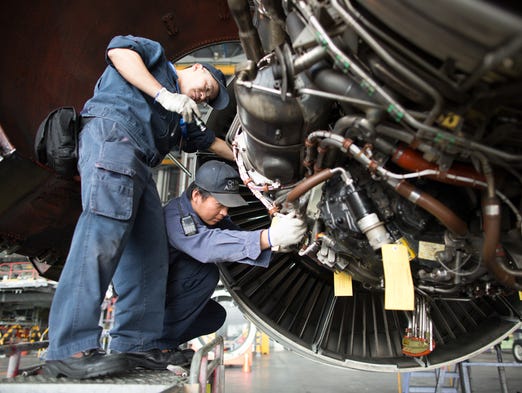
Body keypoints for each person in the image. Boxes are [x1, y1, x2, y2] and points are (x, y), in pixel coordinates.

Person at [44, 35, 235, 379]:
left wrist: (250, 165)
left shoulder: (180, 119)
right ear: (194, 68)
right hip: (113, 139)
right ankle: (68, 346)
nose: (204, 96)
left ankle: (136, 344)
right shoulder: (156, 59)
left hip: (141, 164)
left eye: (208, 98)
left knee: (150, 255)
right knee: (101, 239)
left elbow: (209, 142)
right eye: (207, 86)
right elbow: (118, 52)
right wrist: (165, 94)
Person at [158, 160, 306, 352]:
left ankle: (166, 343)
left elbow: (235, 237)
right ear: (196, 195)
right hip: (152, 299)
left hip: (168, 295)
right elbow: (207, 246)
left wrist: (276, 245)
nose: (225, 212)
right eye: (220, 204)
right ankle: (156, 345)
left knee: (214, 316)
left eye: (228, 206)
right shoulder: (176, 217)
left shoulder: (210, 217)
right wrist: (269, 237)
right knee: (205, 274)